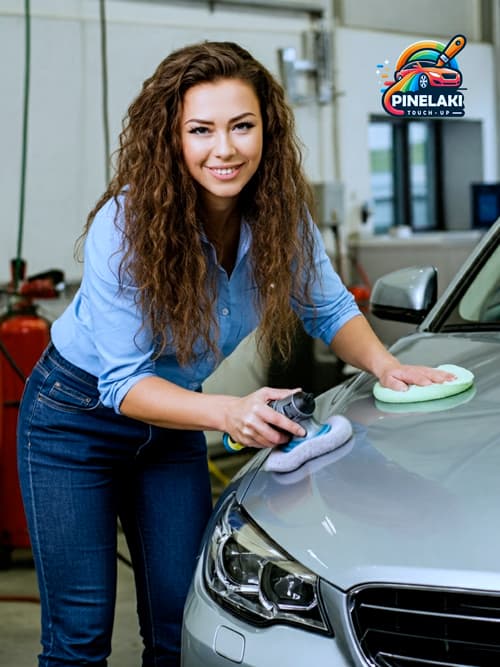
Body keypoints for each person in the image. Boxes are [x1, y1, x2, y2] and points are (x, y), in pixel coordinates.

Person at [17, 40, 454, 667]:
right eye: (201, 129)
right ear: (172, 138)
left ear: (266, 129)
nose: (224, 149)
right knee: (80, 637)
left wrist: (386, 365)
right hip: (73, 421)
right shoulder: (127, 224)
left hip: (172, 427)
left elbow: (327, 309)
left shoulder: (281, 217)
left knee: (179, 621)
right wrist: (229, 413)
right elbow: (120, 383)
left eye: (241, 126)